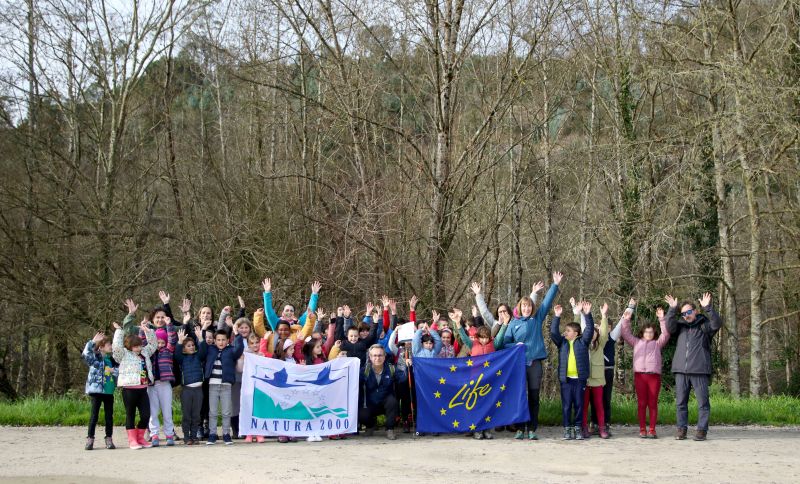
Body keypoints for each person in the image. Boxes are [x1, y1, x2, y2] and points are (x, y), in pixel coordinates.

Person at [500, 272, 562, 440]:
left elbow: (547, 303)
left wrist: (555, 285)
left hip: (534, 364)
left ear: (531, 308)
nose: (526, 309)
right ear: (519, 308)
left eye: (529, 306)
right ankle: (520, 428)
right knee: (520, 397)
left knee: (534, 397)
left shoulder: (536, 319)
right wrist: (515, 345)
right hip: (518, 365)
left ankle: (532, 428)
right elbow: (505, 343)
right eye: (524, 306)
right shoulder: (513, 324)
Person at [665, 292, 722, 441]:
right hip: (680, 371)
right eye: (683, 313)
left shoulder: (704, 326)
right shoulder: (680, 326)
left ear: (696, 311)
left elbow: (717, 324)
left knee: (703, 402)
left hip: (699, 370)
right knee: (680, 403)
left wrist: (708, 308)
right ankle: (681, 430)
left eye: (689, 312)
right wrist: (672, 309)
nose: (686, 315)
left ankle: (701, 430)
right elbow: (669, 328)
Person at [621, 302, 670, 438]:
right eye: (646, 332)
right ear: (642, 332)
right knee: (642, 403)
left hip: (653, 377)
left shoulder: (657, 344)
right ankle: (642, 429)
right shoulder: (636, 342)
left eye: (651, 332)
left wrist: (662, 319)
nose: (648, 334)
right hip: (640, 377)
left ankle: (652, 429)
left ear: (654, 333)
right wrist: (626, 318)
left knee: (652, 403)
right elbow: (625, 333)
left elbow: (665, 334)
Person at [550, 302, 594, 441]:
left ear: (576, 333)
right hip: (566, 381)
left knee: (580, 405)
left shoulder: (583, 342)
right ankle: (567, 428)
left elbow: (590, 330)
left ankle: (577, 428)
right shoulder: (562, 343)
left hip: (579, 380)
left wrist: (587, 314)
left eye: (568, 331)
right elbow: (553, 333)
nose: (565, 332)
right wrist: (557, 316)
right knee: (567, 405)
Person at [112, 320, 157, 450]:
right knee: (130, 415)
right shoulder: (123, 355)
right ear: (130, 346)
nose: (139, 348)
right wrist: (119, 331)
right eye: (136, 346)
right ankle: (132, 440)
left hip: (143, 389)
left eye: (140, 345)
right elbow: (116, 347)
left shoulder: (144, 352)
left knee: (145, 415)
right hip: (129, 390)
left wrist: (149, 332)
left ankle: (140, 438)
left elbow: (153, 345)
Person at [201, 329, 244, 445]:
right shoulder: (210, 349)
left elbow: (239, 349)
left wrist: (237, 333)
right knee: (213, 412)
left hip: (226, 385)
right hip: (213, 384)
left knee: (226, 412)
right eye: (218, 340)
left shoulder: (231, 351)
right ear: (214, 341)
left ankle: (226, 434)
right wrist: (203, 331)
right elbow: (201, 351)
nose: (221, 342)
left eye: (223, 340)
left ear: (228, 341)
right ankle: (212, 434)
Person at [359, 344, 407, 440]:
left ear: (385, 356)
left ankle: (389, 429)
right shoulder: (365, 370)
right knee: (360, 414)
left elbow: (403, 378)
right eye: (375, 355)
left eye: (380, 355)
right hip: (370, 403)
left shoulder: (391, 368)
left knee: (392, 402)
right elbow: (354, 383)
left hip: (386, 402)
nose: (377, 358)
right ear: (370, 357)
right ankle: (370, 426)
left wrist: (405, 366)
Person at [81, 331, 118, 450]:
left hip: (109, 391)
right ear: (101, 347)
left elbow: (120, 370)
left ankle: (109, 438)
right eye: (108, 345)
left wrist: (114, 371)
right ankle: (90, 439)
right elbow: (86, 354)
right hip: (97, 391)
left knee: (109, 416)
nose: (111, 347)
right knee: (94, 415)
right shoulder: (95, 358)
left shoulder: (112, 359)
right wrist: (93, 342)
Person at [147, 318, 178, 447]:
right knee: (153, 411)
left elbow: (172, 339)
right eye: (157, 342)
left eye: (161, 342)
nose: (159, 344)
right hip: (152, 385)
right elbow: (144, 341)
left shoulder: (168, 350)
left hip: (165, 384)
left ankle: (169, 434)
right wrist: (145, 330)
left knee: (167, 411)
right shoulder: (150, 352)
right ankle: (154, 434)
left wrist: (169, 324)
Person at [581, 302, 609, 439]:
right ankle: (584, 427)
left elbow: (604, 332)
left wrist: (604, 316)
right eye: (589, 331)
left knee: (599, 405)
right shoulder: (582, 344)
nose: (592, 333)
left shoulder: (601, 344)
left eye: (594, 331)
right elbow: (576, 329)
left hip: (597, 380)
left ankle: (602, 428)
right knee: (584, 406)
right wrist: (578, 313)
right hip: (585, 380)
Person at [174, 327, 207, 445]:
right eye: (188, 345)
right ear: (183, 348)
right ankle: (187, 437)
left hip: (198, 390)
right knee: (187, 414)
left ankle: (194, 436)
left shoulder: (198, 356)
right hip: (187, 390)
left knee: (196, 415)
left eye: (193, 345)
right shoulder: (182, 359)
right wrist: (179, 341)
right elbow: (176, 354)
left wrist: (200, 338)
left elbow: (204, 351)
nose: (192, 347)